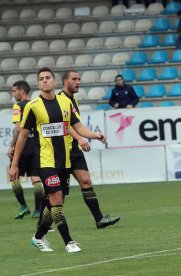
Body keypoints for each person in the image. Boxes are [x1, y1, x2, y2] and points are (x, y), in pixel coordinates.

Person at [9, 67, 106, 253]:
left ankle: (38, 238)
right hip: (45, 161)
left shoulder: (65, 103)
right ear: (38, 84)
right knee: (57, 199)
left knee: (53, 203)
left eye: (48, 78)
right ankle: (69, 242)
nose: (44, 81)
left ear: (54, 82)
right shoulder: (33, 106)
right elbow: (21, 137)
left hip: (64, 161)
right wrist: (14, 165)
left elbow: (76, 127)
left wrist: (94, 135)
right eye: (41, 79)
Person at [58, 70, 120, 229]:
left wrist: (94, 135)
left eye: (79, 79)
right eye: (74, 79)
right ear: (65, 81)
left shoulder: (73, 100)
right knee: (59, 194)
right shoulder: (59, 100)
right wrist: (79, 138)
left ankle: (99, 219)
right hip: (61, 151)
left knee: (86, 181)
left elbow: (77, 126)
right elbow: (63, 125)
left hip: (74, 150)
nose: (78, 82)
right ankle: (45, 222)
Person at [8, 80, 44, 219]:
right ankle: (37, 210)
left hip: (22, 147)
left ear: (21, 91)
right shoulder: (36, 104)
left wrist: (11, 145)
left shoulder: (18, 105)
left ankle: (23, 206)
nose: (13, 94)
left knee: (14, 177)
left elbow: (18, 129)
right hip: (35, 146)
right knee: (36, 178)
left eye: (14, 91)